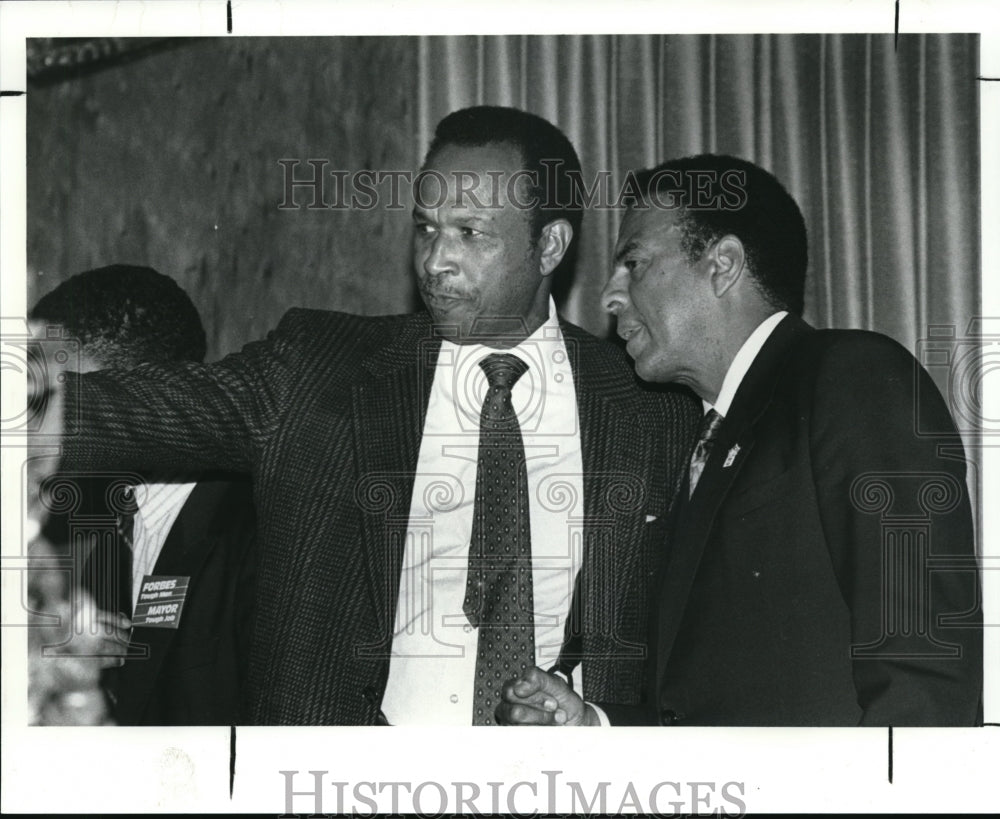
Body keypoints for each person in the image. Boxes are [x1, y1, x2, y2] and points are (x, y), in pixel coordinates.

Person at [55, 108, 700, 725]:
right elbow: (131, 411)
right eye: (425, 228)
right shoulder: (319, 369)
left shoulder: (649, 409)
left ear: (549, 245)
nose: (434, 261)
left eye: (469, 233)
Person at [498, 154, 983, 726]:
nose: (609, 295)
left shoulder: (852, 377)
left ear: (722, 264)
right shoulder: (698, 442)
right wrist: (592, 727)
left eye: (634, 263)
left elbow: (925, 670)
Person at [31, 264, 258, 725]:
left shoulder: (259, 532)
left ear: (145, 399)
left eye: (62, 399)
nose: (39, 427)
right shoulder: (111, 534)